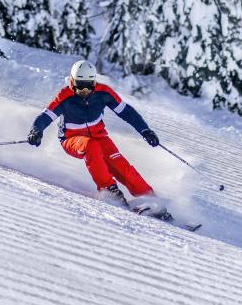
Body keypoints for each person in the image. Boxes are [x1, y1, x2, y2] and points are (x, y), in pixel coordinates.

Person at [28, 60, 162, 211]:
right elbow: (45, 116)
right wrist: (36, 130)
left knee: (122, 166)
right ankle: (108, 190)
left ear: (94, 82)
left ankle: (151, 199)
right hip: (72, 139)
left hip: (100, 136)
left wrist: (145, 130)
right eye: (79, 85)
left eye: (88, 86)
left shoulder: (103, 93)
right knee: (91, 146)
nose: (84, 90)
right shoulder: (64, 96)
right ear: (72, 81)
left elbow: (126, 112)